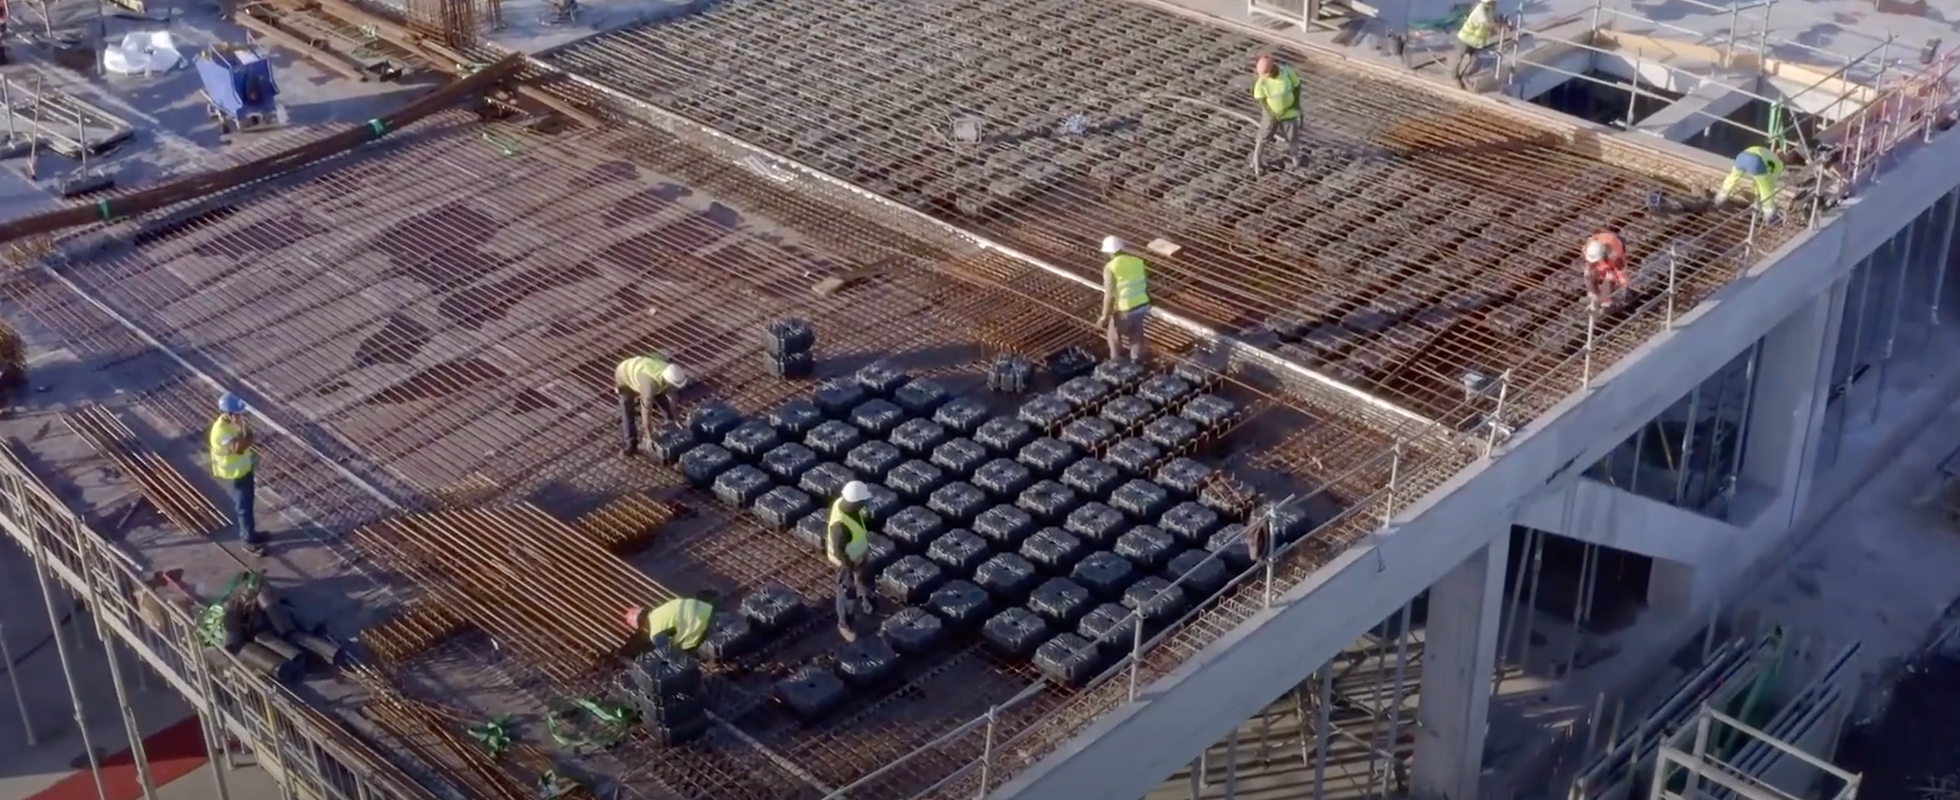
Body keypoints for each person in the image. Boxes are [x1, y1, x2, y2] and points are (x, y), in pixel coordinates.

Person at [209, 392, 263, 554]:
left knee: (248, 504)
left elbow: (245, 439)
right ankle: (247, 541)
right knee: (243, 508)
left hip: (244, 469)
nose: (242, 416)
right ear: (229, 414)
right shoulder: (221, 432)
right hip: (235, 474)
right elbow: (238, 448)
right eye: (239, 414)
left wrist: (244, 433)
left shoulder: (232, 423)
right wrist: (247, 436)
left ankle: (251, 534)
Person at [827, 481, 876, 641]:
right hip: (846, 561)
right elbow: (838, 550)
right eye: (862, 502)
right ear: (855, 503)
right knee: (847, 592)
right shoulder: (840, 526)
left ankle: (868, 603)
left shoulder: (846, 504)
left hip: (859, 553)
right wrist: (848, 566)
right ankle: (845, 624)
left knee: (866, 580)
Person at [616, 354, 689, 457]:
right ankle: (630, 444)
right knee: (628, 411)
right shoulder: (649, 388)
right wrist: (649, 436)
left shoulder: (668, 373)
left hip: (644, 369)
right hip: (625, 374)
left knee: (660, 393)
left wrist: (676, 419)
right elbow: (646, 412)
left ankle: (670, 421)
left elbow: (672, 398)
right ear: (668, 381)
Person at [1095, 236, 1151, 364]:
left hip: (1125, 309)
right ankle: (1137, 362)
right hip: (1142, 305)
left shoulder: (1110, 267)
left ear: (1110, 252)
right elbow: (1146, 284)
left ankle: (1116, 362)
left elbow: (1109, 294)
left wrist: (1104, 316)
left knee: (1113, 336)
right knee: (1136, 334)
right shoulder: (1138, 261)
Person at [1250, 54, 1304, 176]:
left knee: (1292, 138)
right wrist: (1270, 113)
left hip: (1289, 111)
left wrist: (1296, 103)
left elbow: (1297, 86)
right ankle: (1256, 164)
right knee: (1263, 139)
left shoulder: (1287, 73)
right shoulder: (1262, 81)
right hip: (1271, 115)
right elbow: (1261, 99)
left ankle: (1295, 161)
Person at [623, 593, 718, 651]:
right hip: (704, 608)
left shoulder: (656, 634)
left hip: (698, 621)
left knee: (684, 648)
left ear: (641, 627)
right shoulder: (659, 611)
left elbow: (670, 653)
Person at [1714, 146, 1784, 220]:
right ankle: (1769, 214)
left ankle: (1719, 199)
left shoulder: (1767, 153)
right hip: (1755, 161)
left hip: (1742, 157)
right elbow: (1769, 181)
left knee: (1732, 178)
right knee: (1766, 188)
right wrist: (1758, 194)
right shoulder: (1779, 164)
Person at [1451, 0, 1501, 90]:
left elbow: (1490, 23)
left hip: (1475, 41)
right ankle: (1455, 78)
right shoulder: (1480, 10)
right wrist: (1502, 25)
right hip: (1465, 38)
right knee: (1458, 60)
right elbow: (1488, 24)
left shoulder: (1489, 10)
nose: (1495, 3)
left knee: (1474, 61)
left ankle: (1464, 77)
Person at [1582, 231, 1629, 308]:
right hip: (1602, 254)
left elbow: (1620, 272)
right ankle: (1594, 296)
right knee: (1588, 274)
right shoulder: (1590, 247)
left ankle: (1606, 300)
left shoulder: (1615, 254)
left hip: (1610, 259)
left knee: (1610, 277)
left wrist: (1625, 286)